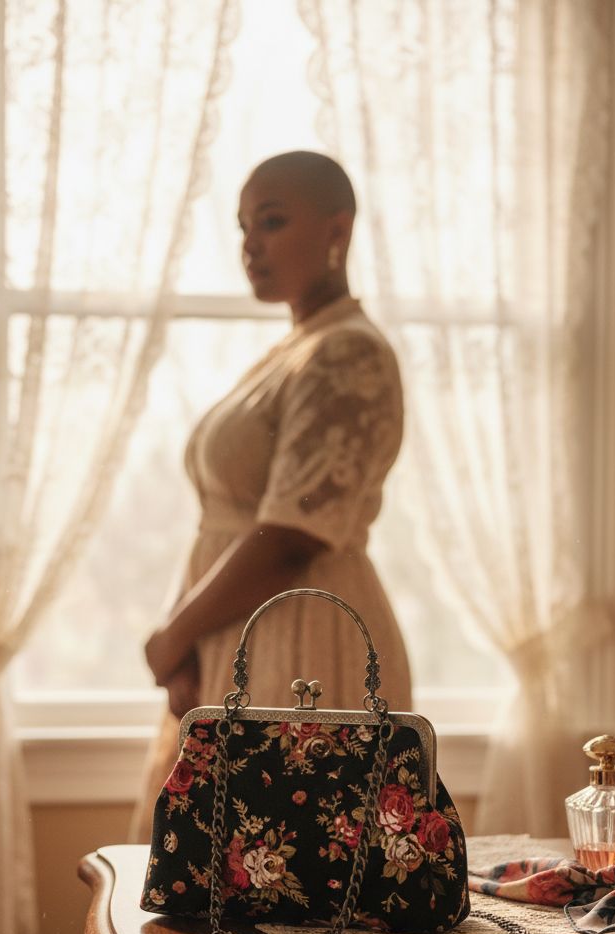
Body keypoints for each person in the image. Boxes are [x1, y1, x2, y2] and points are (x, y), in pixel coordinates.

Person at [133, 150, 411, 836]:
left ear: (336, 230)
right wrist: (186, 650)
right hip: (238, 638)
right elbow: (231, 527)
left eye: (273, 221)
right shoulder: (296, 349)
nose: (250, 244)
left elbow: (289, 539)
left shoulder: (347, 352)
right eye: (242, 227)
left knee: (285, 871)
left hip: (301, 639)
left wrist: (175, 636)